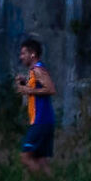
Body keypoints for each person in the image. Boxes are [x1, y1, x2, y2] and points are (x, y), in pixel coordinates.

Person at [15, 35, 58, 173]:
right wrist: (25, 83)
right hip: (43, 121)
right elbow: (36, 90)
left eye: (23, 53)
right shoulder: (34, 72)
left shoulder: (37, 70)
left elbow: (50, 89)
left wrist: (27, 89)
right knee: (41, 161)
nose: (21, 57)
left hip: (41, 121)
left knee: (25, 157)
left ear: (32, 54)